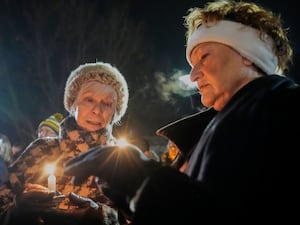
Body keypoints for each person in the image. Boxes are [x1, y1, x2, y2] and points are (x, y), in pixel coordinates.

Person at [63, 1, 300, 224]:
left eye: (204, 57)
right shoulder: (215, 127)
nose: (194, 75)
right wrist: (125, 197)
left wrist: (141, 177)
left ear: (248, 55)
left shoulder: (283, 107)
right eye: (191, 65)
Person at [0, 61, 129, 225]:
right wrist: (17, 212)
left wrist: (108, 218)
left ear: (115, 112)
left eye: (107, 103)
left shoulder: (123, 160)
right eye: (89, 99)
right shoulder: (40, 150)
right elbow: (3, 203)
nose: (98, 110)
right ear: (73, 102)